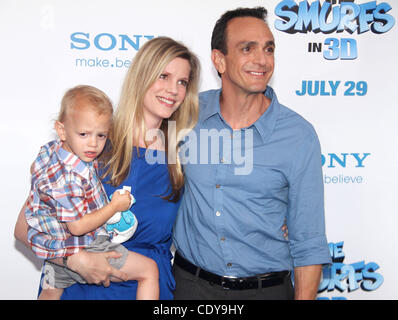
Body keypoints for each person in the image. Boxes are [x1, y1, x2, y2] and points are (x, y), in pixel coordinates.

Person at [14, 37, 200, 299]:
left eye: (182, 82)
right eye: (163, 76)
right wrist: (74, 261)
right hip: (80, 289)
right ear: (141, 76)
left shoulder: (178, 160)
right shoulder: (93, 141)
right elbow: (25, 227)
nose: (173, 90)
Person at [172, 7, 332, 300]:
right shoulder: (185, 113)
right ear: (219, 60)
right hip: (189, 287)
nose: (262, 60)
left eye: (268, 49)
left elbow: (309, 239)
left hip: (266, 292)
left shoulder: (298, 135)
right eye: (248, 48)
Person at [25, 85, 159, 300]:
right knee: (149, 271)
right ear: (61, 130)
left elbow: (35, 167)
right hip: (87, 244)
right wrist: (114, 207)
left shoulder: (51, 150)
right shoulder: (69, 177)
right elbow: (77, 227)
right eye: (84, 134)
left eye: (101, 135)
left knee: (51, 291)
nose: (93, 144)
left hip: (54, 248)